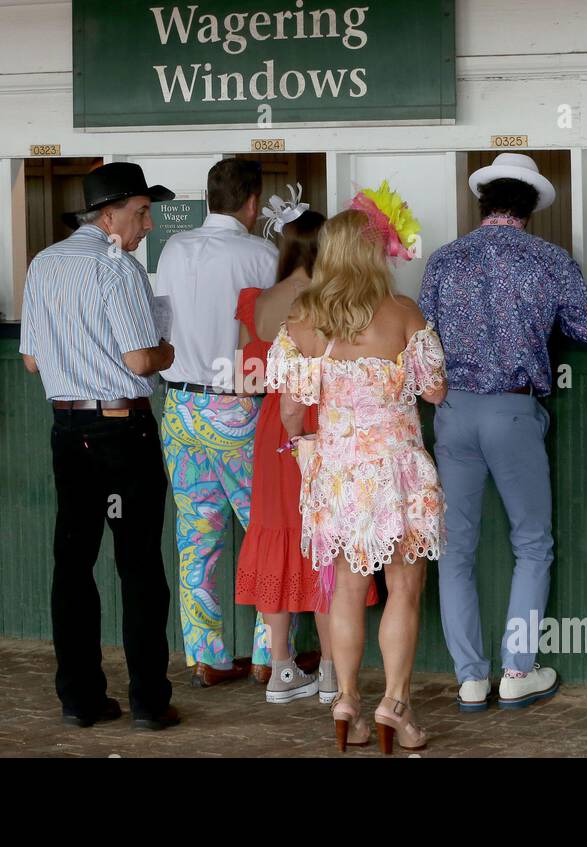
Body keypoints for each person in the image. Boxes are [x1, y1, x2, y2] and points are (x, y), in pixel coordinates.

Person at [420, 154, 587, 712]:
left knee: (454, 547)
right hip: (513, 411)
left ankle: (470, 678)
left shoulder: (444, 260)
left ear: (484, 202)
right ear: (530, 208)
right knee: (531, 544)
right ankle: (518, 671)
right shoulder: (548, 260)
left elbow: (423, 341)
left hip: (452, 410)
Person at [269, 188, 447, 754]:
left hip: (338, 472)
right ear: (374, 253)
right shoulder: (402, 313)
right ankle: (395, 704)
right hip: (397, 470)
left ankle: (347, 699)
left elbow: (292, 411)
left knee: (345, 588)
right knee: (404, 587)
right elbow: (437, 390)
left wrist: (311, 440)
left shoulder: (302, 321)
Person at [20, 161, 180, 731]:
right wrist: (166, 350)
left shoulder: (44, 264)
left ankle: (80, 698)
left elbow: (32, 359)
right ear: (109, 216)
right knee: (138, 566)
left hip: (69, 431)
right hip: (123, 429)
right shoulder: (119, 267)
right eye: (142, 212)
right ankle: (148, 701)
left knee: (73, 564)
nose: (149, 224)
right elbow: (140, 360)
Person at [234, 203, 377, 705]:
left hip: (274, 423)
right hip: (323, 423)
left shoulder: (260, 300)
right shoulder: (334, 302)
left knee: (274, 533)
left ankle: (281, 668)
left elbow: (246, 375)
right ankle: (335, 671)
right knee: (326, 543)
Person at [153, 158, 281, 687]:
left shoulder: (173, 249)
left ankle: (206, 656)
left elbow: (159, 321)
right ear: (252, 203)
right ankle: (271, 656)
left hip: (179, 406)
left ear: (208, 198)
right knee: (265, 531)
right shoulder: (261, 254)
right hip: (238, 407)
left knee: (197, 534)